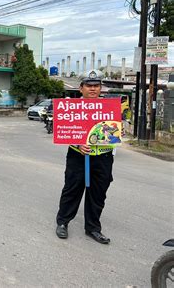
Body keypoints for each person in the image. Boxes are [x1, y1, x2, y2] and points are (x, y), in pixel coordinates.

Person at [55, 70, 115, 245]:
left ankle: (93, 228)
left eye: (96, 86)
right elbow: (66, 131)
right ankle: (63, 222)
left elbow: (115, 130)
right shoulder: (71, 108)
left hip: (103, 156)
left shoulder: (109, 108)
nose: (93, 89)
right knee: (72, 189)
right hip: (77, 155)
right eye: (89, 86)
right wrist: (78, 143)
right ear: (81, 88)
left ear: (101, 88)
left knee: (98, 193)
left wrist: (119, 133)